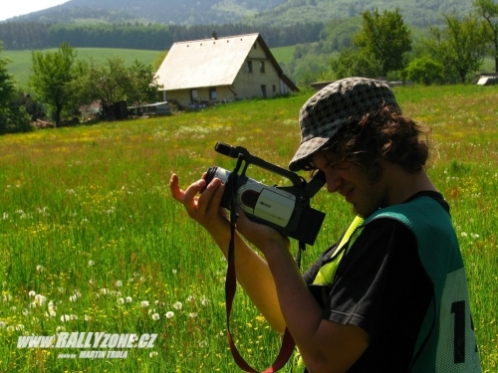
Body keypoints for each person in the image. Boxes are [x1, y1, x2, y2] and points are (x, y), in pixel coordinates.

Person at [170, 77, 481, 372]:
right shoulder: (422, 218)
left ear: (381, 140)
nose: (330, 185)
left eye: (335, 164)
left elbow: (322, 358)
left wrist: (271, 244)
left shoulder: (393, 232)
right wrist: (221, 229)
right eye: (322, 171)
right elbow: (290, 317)